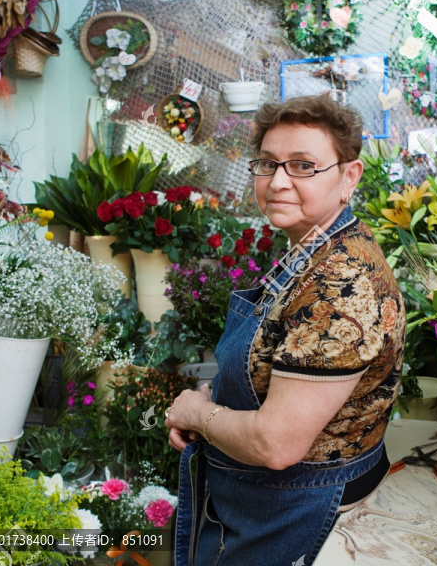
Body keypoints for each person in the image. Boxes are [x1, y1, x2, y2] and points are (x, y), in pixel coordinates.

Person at [165, 95, 405, 566]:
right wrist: (222, 395)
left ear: (348, 177)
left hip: (293, 505)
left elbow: (277, 444)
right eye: (268, 164)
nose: (277, 182)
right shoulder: (320, 245)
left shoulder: (338, 283)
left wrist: (198, 413)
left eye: (303, 166)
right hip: (276, 495)